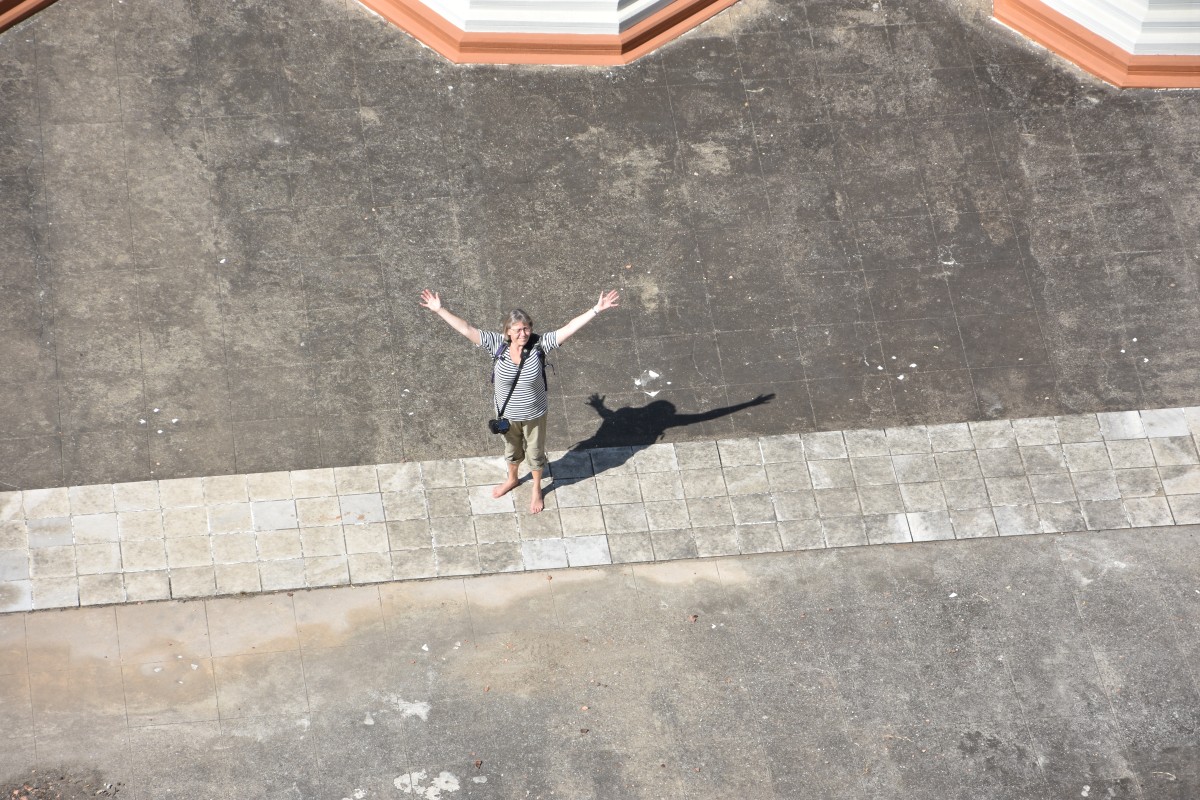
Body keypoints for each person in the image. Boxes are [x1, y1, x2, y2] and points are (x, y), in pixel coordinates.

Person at [419, 289, 620, 513]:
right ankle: (512, 479)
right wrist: (440, 310)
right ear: (508, 331)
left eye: (527, 328)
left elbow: (569, 328)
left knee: (535, 453)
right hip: (507, 415)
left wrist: (596, 309)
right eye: (518, 330)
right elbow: (466, 328)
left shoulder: (539, 346)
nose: (523, 334)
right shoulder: (496, 345)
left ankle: (536, 488)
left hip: (534, 414)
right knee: (512, 449)